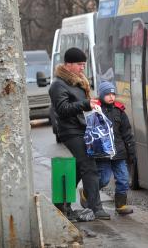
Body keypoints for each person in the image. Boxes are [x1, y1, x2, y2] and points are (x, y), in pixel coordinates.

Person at [49, 47, 110, 220]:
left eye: (84, 64)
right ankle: (96, 208)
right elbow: (62, 109)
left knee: (78, 167)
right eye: (79, 64)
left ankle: (62, 203)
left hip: (84, 128)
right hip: (70, 131)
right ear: (68, 65)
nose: (83, 67)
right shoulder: (58, 85)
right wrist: (85, 104)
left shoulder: (79, 81)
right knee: (89, 166)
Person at [95, 81, 135, 215]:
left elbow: (127, 133)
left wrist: (131, 152)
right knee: (104, 179)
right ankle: (87, 192)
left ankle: (121, 205)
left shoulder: (120, 111)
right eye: (107, 94)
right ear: (101, 95)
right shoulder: (95, 110)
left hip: (119, 153)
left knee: (123, 179)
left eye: (113, 94)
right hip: (103, 153)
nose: (111, 97)